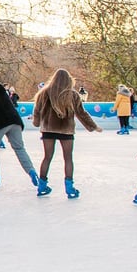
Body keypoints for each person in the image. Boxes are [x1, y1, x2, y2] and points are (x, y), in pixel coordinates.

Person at [31, 68, 102, 198]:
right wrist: (94, 126)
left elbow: (37, 110)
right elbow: (81, 113)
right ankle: (69, 188)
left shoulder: (44, 93)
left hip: (49, 129)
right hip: (66, 130)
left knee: (47, 157)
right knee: (68, 158)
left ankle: (42, 185)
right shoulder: (72, 95)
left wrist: (36, 122)